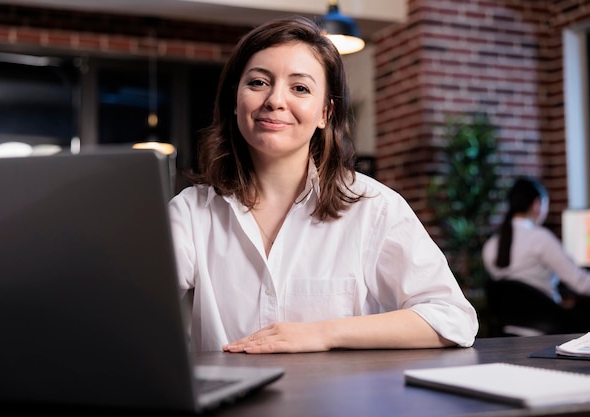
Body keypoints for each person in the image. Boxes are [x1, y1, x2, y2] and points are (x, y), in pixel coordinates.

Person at [168, 16, 478, 354]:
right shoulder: (191, 212)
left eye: (299, 88)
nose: (275, 100)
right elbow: (129, 306)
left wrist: (323, 334)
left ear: (325, 114)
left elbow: (452, 317)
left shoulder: (373, 207)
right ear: (235, 100)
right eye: (258, 82)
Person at [482, 176, 590, 325]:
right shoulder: (540, 239)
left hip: (510, 329)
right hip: (549, 327)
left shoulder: (490, 245)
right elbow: (580, 282)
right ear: (537, 204)